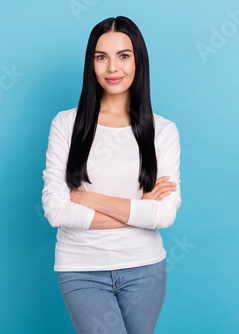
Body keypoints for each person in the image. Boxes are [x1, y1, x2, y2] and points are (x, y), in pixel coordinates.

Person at [41, 15, 182, 334]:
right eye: (101, 57)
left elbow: (163, 213)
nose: (112, 68)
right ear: (91, 63)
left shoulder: (163, 131)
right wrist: (138, 209)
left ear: (138, 61)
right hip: (81, 269)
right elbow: (56, 210)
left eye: (123, 56)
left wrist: (87, 199)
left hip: (145, 268)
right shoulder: (66, 125)